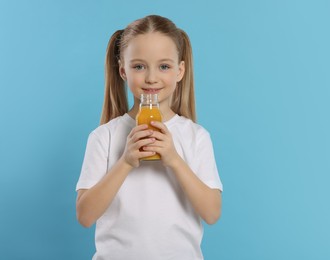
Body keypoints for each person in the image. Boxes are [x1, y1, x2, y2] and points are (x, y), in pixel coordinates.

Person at [75, 15, 223, 260]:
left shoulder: (197, 137)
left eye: (164, 66)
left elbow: (212, 213)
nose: (151, 77)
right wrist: (125, 162)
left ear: (180, 71)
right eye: (139, 66)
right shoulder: (104, 136)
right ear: (123, 70)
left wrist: (175, 160)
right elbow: (85, 216)